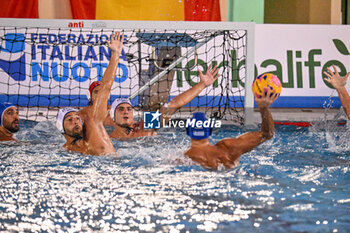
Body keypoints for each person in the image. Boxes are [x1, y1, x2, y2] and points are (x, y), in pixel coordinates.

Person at [55, 31, 124, 155]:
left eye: (76, 118)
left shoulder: (93, 123)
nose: (75, 121)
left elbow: (106, 87)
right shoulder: (66, 150)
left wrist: (115, 54)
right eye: (69, 120)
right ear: (61, 127)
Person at [109, 64, 219, 139]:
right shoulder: (108, 140)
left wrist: (202, 85)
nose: (126, 112)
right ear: (112, 116)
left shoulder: (146, 125)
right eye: (121, 109)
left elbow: (173, 105)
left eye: (129, 109)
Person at [185, 88, 278, 170]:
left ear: (188, 131)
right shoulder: (229, 148)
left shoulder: (183, 159)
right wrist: (264, 108)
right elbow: (267, 134)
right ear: (209, 130)